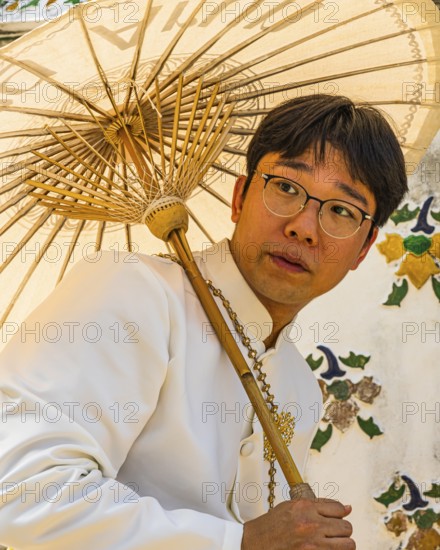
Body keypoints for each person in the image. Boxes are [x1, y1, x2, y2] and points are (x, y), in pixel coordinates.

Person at [0, 94, 407, 549]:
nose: (304, 227)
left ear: (364, 247)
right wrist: (240, 542)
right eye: (287, 188)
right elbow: (22, 495)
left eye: (341, 211)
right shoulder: (135, 294)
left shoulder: (298, 386)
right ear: (240, 197)